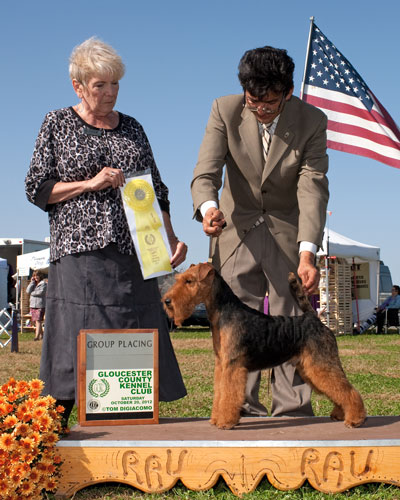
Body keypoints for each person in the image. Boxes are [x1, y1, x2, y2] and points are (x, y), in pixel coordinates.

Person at [25, 37, 187, 426]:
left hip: (136, 249)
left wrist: (170, 237)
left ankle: (130, 420)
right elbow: (37, 187)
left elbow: (156, 189)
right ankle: (58, 422)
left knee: (135, 327)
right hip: (79, 250)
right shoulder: (56, 122)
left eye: (115, 84)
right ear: (78, 86)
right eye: (100, 85)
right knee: (76, 331)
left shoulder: (132, 127)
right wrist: (89, 183)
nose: (110, 93)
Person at [191, 46, 329, 418]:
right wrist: (208, 209)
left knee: (292, 325)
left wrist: (306, 253)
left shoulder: (313, 120)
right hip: (234, 231)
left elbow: (312, 186)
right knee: (236, 326)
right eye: (254, 102)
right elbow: (206, 172)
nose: (260, 110)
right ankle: (242, 410)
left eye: (268, 104)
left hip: (287, 232)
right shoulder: (224, 108)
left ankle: (293, 412)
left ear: (287, 92)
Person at [26, 270, 47, 341]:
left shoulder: (43, 283)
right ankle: (42, 335)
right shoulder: (33, 283)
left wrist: (32, 293)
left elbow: (41, 292)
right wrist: (32, 282)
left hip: (40, 305)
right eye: (34, 275)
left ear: (40, 276)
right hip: (33, 304)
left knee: (38, 320)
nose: (36, 277)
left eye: (37, 275)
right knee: (35, 320)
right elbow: (27, 291)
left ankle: (36, 336)